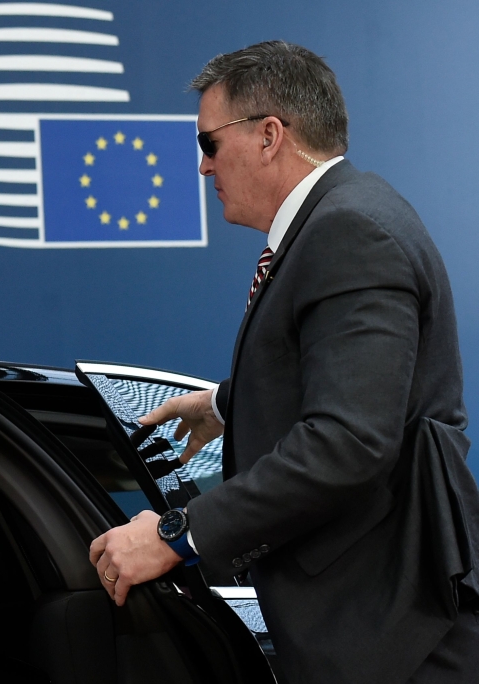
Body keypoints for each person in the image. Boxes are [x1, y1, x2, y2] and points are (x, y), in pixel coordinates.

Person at [89, 41, 479, 683]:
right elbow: (355, 381)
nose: (203, 169)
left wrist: (174, 534)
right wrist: (224, 404)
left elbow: (349, 441)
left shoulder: (350, 231)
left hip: (391, 638)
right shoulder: (346, 216)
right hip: (381, 624)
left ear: (269, 135)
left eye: (208, 145)